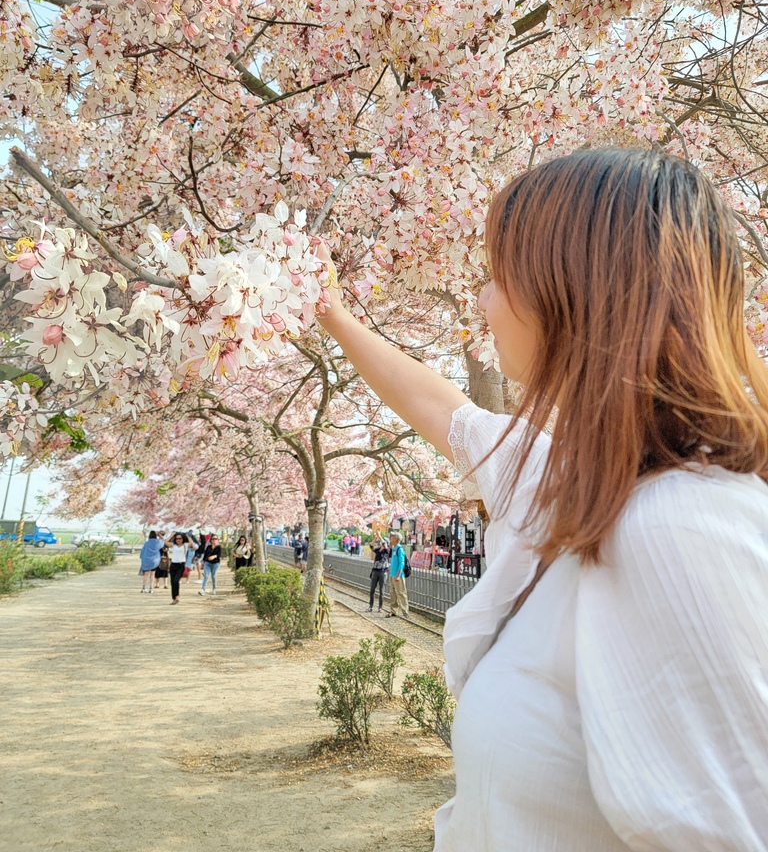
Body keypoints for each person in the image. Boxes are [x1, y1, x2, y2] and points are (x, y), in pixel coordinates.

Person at [317, 148, 768, 851]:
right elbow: (445, 413)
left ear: (572, 288)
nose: (481, 302)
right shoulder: (569, 482)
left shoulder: (680, 526)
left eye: (498, 276)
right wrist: (334, 317)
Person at [386, 531, 409, 619]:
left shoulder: (400, 549)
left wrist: (398, 575)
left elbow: (401, 563)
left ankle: (405, 612)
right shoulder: (394, 548)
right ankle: (393, 610)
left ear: (396, 539)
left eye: (392, 536)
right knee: (393, 593)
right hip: (392, 575)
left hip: (398, 575)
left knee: (401, 593)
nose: (390, 537)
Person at [167, 532, 190, 604]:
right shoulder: (173, 545)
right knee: (172, 582)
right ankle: (174, 598)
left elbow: (191, 542)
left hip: (181, 565)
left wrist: (187, 535)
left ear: (182, 539)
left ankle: (177, 597)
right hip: (173, 564)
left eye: (180, 538)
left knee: (176, 581)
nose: (178, 540)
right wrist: (172, 535)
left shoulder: (185, 545)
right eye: (177, 538)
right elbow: (166, 542)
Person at [368, 538, 389, 612]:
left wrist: (380, 536)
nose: (382, 543)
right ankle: (370, 606)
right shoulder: (378, 549)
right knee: (372, 590)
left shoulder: (387, 551)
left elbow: (385, 545)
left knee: (381, 591)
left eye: (383, 542)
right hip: (375, 571)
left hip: (383, 572)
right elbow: (371, 546)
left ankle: (380, 607)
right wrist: (375, 539)